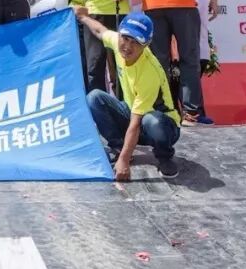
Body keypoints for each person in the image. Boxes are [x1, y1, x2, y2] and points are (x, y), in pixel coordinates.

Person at [75, 9, 181, 179]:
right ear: (119, 35)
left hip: (161, 126)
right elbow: (100, 31)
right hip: (132, 113)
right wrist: (83, 17)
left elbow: (136, 122)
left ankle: (165, 157)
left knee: (150, 120)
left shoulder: (149, 72)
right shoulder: (118, 42)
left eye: (136, 42)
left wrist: (123, 162)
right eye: (125, 38)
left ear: (146, 44)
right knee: (94, 97)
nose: (127, 46)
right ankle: (118, 146)